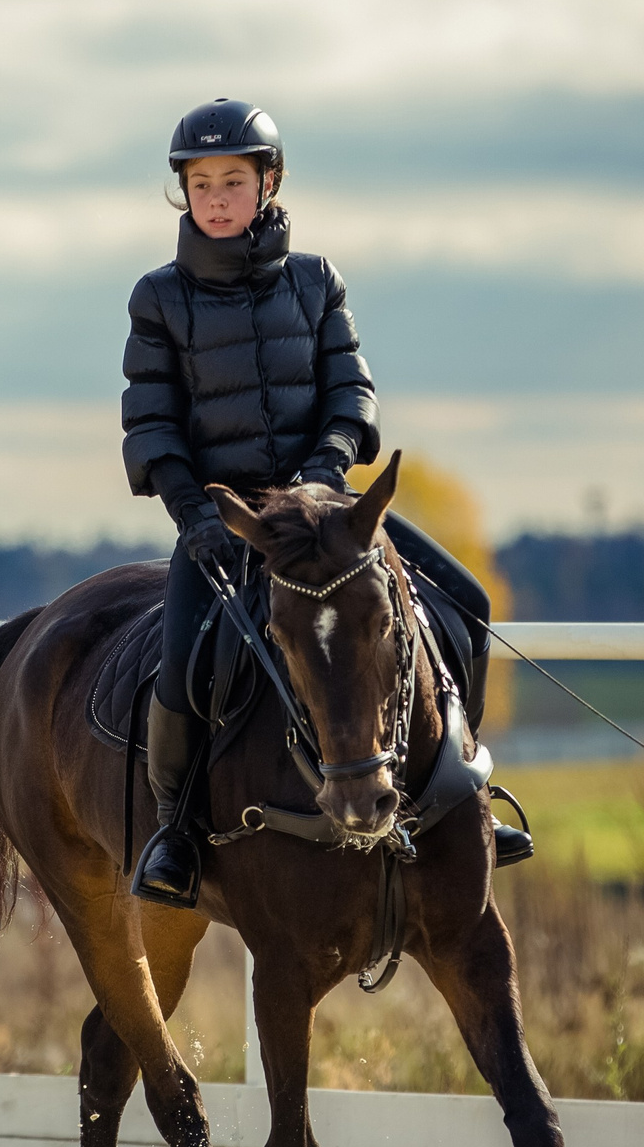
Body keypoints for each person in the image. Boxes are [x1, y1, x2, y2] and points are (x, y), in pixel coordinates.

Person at [121, 97, 531, 907]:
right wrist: (195, 515)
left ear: (268, 183)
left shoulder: (316, 282)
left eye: (232, 180)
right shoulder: (157, 298)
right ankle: (173, 833)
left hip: (335, 519)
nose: (215, 197)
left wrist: (325, 469)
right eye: (200, 183)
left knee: (470, 604)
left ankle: (462, 792)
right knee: (181, 673)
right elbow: (151, 427)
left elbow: (353, 397)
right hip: (228, 529)